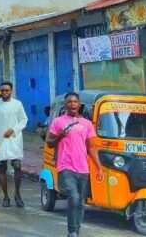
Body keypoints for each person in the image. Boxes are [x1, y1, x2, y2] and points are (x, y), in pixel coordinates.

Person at [46, 92, 102, 237]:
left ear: (79, 104)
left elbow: (91, 148)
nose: (72, 104)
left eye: (75, 101)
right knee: (74, 197)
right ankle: (72, 231)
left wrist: (99, 168)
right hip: (65, 166)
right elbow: (49, 143)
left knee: (81, 202)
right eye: (69, 102)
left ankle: (76, 230)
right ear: (66, 105)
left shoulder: (87, 124)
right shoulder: (58, 122)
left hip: (83, 168)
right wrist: (60, 136)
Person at [0, 81, 28, 207]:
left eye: (7, 90)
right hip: (0, 140)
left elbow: (24, 120)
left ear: (11, 91)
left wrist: (13, 130)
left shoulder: (17, 104)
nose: (4, 92)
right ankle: (6, 197)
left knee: (17, 165)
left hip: (14, 140)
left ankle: (17, 194)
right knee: (2, 167)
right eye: (2, 90)